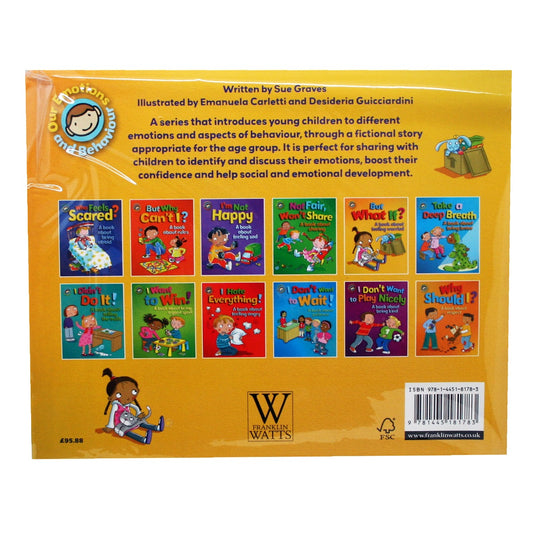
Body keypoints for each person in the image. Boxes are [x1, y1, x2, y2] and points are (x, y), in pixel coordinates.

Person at [102, 368, 164, 445]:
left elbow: (135, 407)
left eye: (133, 391)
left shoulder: (127, 404)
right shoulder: (116, 405)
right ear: (111, 397)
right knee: (127, 431)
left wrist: (138, 414)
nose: (127, 397)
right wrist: (110, 426)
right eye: (119, 394)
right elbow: (112, 416)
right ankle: (143, 439)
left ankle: (156, 427)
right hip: (120, 423)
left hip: (131, 419)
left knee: (140, 422)